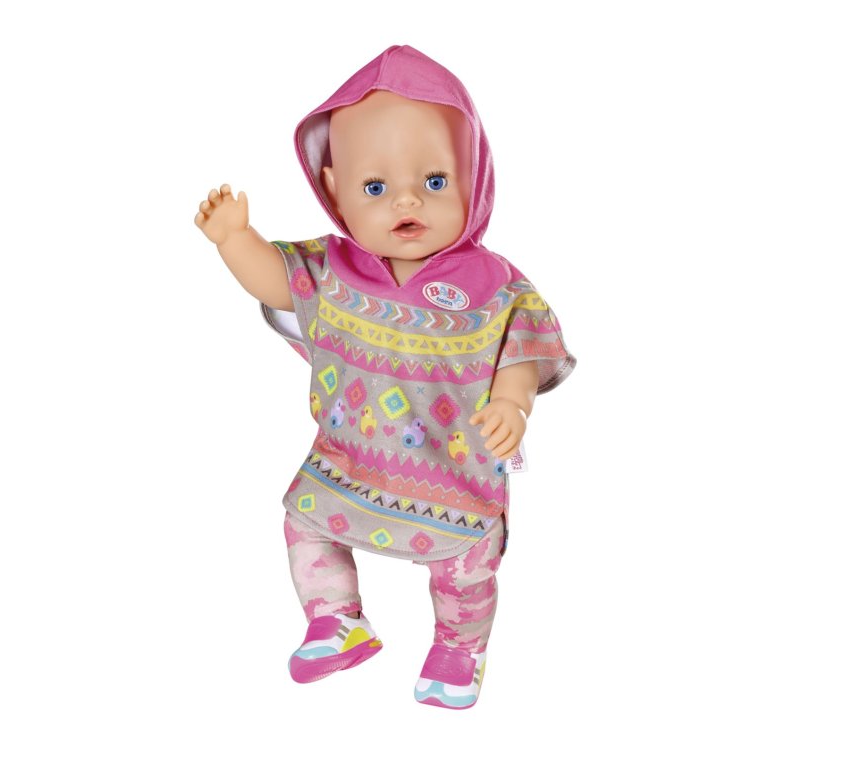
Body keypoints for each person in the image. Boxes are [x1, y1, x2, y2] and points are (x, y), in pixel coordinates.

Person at [194, 45, 576, 709]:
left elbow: (521, 345)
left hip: (454, 469)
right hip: (350, 459)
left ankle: (459, 647)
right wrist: (235, 240)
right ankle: (336, 618)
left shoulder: (493, 284)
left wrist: (512, 404)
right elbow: (277, 282)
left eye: (435, 181)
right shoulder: (332, 268)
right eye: (375, 187)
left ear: (474, 176)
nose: (407, 199)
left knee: (463, 567)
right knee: (305, 522)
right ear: (334, 187)